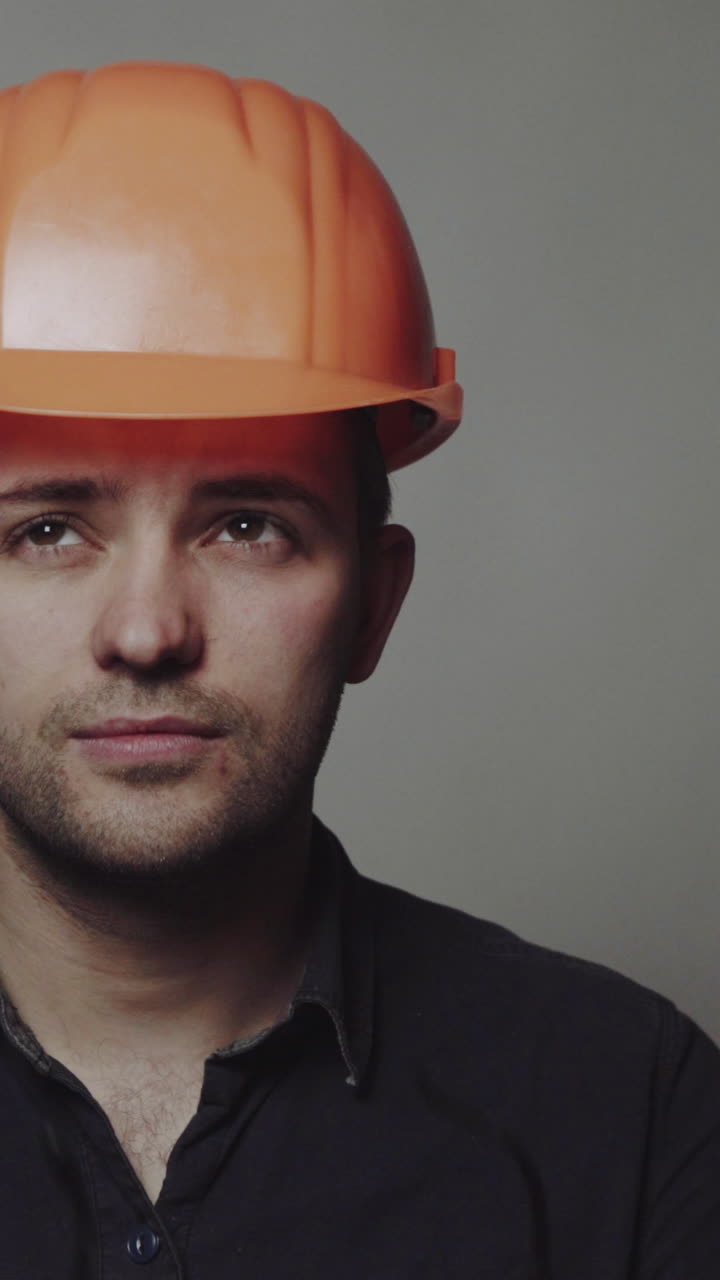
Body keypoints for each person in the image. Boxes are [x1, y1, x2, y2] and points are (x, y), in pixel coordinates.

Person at [0, 60, 717, 1279]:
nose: (148, 629)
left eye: (247, 526)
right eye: (45, 529)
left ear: (375, 604)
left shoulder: (632, 1113)